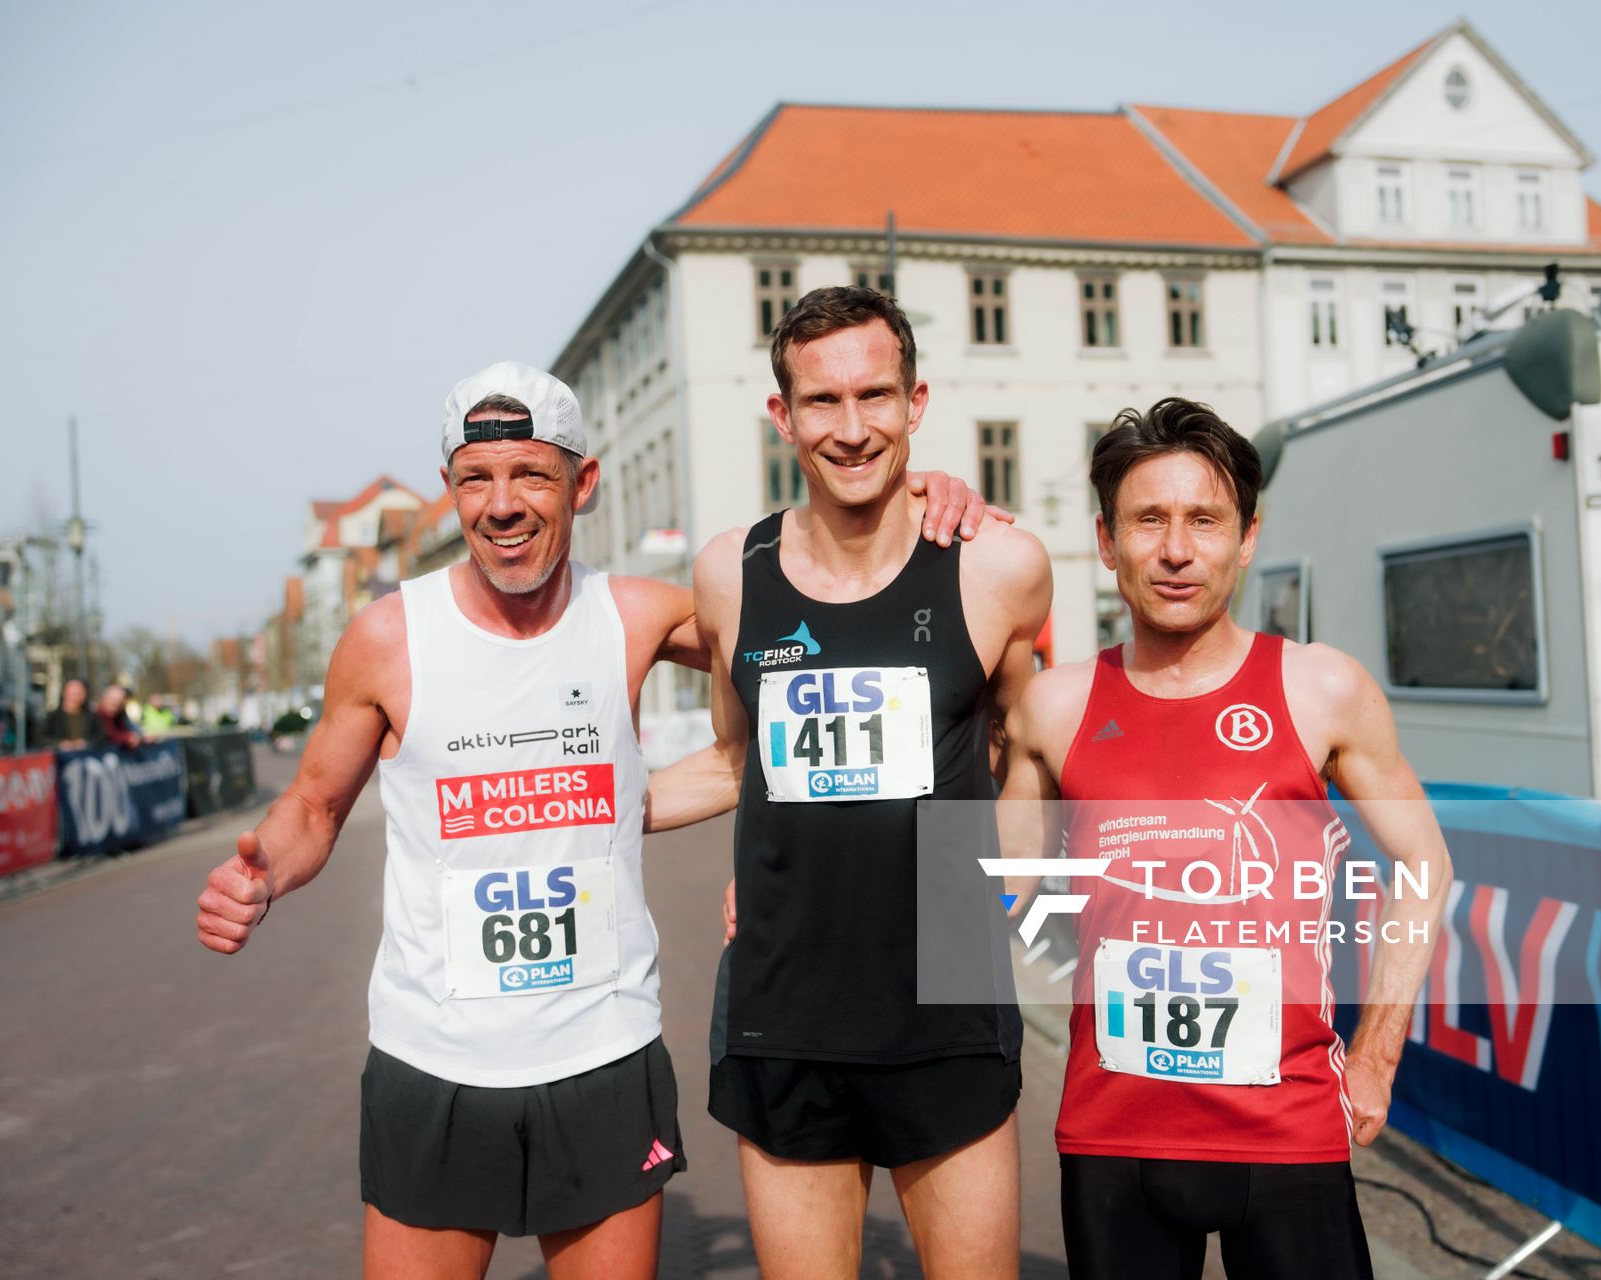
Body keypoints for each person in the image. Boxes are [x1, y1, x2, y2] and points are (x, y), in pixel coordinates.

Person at [193, 360, 993, 1280]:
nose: (502, 505)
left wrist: (895, 504)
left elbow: (830, 624)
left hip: (603, 1052)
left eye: (531, 474)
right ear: (451, 490)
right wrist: (263, 874)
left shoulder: (636, 616)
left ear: (584, 482)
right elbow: (311, 806)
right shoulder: (387, 637)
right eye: (475, 479)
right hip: (433, 1056)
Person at [998, 398, 1449, 1280]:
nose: (1175, 550)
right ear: (1104, 540)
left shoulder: (1321, 688)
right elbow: (991, 898)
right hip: (1113, 1133)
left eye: (1204, 521)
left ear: (1245, 538)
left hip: (1287, 1130)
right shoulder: (1055, 706)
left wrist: (1376, 1057)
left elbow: (1424, 864)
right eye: (1148, 521)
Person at [688, 286, 1052, 1278]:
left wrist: (1012, 874)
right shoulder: (729, 572)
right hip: (785, 1005)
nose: (851, 428)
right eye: (822, 402)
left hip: (947, 994)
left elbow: (1035, 741)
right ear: (783, 414)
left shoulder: (1000, 565)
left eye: (874, 396)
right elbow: (736, 756)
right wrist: (576, 805)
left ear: (915, 401)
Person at [40, 678, 100, 750]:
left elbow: (100, 736)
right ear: (64, 693)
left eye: (79, 693)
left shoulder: (91, 716)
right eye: (73, 693)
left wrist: (86, 743)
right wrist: (59, 744)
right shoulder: (53, 716)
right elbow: (40, 738)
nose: (75, 697)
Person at [94, 684, 142, 750]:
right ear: (104, 698)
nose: (115, 703)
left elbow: (127, 730)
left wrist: (136, 737)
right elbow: (107, 734)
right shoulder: (96, 715)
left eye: (119, 700)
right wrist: (127, 737)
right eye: (112, 699)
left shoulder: (119, 716)